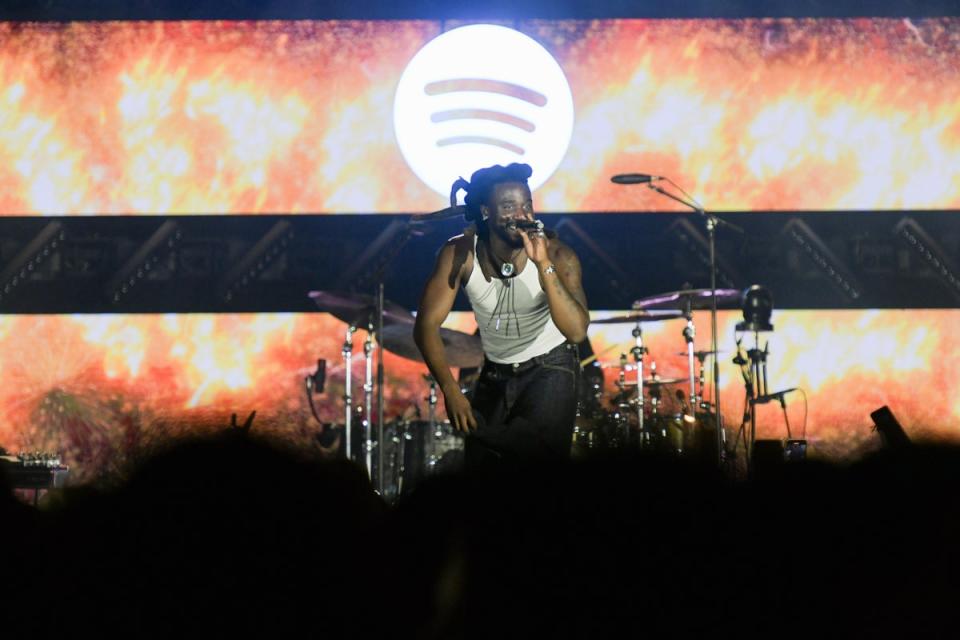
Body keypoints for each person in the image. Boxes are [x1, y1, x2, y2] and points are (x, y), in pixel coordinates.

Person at [413, 163, 589, 464]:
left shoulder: (559, 256)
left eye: (526, 206)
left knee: (536, 470)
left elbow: (576, 332)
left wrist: (542, 263)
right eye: (509, 206)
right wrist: (451, 390)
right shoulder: (460, 253)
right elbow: (426, 326)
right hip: (496, 371)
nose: (520, 215)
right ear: (486, 212)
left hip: (551, 368)